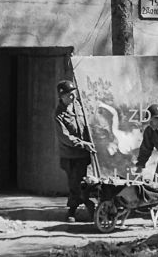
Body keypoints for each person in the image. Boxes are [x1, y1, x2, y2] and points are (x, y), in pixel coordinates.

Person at [54, 79, 96, 223]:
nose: (72, 97)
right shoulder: (59, 114)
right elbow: (65, 137)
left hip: (84, 154)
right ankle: (73, 211)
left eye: (73, 94)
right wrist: (83, 144)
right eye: (68, 95)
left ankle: (90, 208)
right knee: (74, 184)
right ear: (61, 97)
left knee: (86, 182)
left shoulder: (79, 106)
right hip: (70, 156)